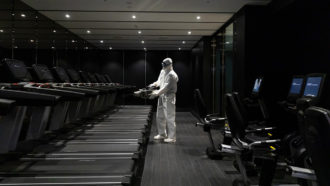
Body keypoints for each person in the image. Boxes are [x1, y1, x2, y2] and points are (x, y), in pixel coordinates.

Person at [149, 58, 179, 143]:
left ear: (170, 65)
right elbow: (159, 81)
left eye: (165, 65)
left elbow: (166, 88)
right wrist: (154, 84)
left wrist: (155, 94)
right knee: (160, 116)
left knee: (170, 117)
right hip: (161, 96)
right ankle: (162, 134)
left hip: (169, 97)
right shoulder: (163, 71)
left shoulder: (172, 75)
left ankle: (172, 137)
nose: (163, 67)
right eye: (163, 65)